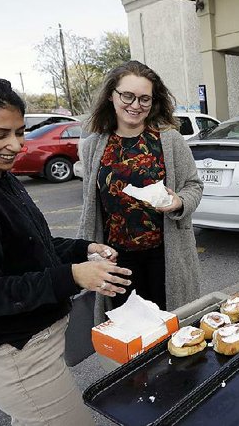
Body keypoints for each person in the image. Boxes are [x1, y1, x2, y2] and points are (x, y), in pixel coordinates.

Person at [0, 76, 131, 424]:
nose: (16, 145)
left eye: (19, 132)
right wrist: (73, 276)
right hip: (14, 354)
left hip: (39, 341)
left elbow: (31, 244)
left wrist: (83, 248)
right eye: (0, 135)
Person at [78, 60, 203, 319]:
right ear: (111, 96)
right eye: (128, 96)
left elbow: (194, 185)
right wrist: (89, 250)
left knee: (168, 324)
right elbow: (91, 206)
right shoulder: (94, 145)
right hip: (118, 259)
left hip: (165, 256)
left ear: (153, 102)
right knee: (129, 330)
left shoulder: (169, 139)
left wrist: (179, 201)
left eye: (144, 99)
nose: (135, 105)